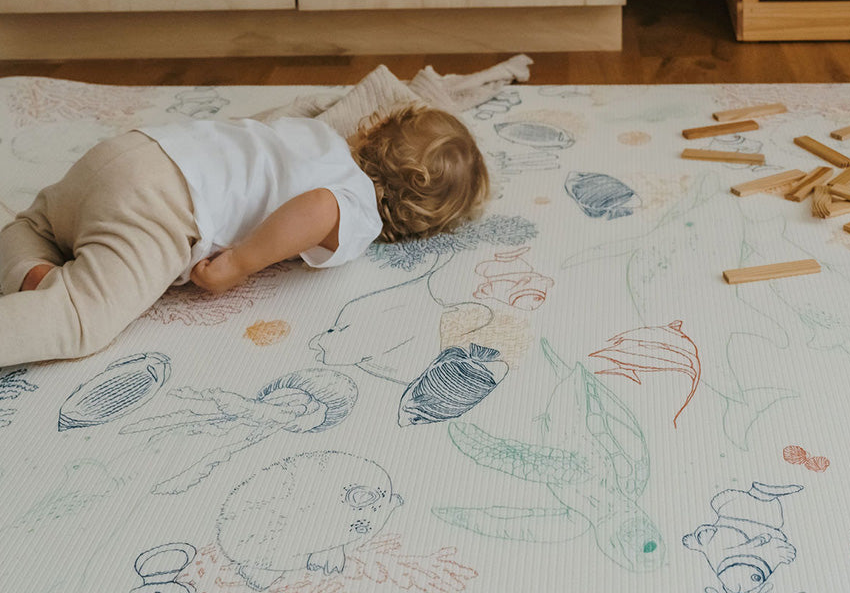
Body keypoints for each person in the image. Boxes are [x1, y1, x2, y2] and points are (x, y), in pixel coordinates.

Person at [0, 103, 489, 367]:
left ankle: (32, 270)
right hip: (163, 207)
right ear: (421, 220)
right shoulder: (361, 208)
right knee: (84, 319)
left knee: (35, 225)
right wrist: (236, 264)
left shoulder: (312, 132)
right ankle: (54, 298)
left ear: (375, 127)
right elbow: (319, 207)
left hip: (129, 153)